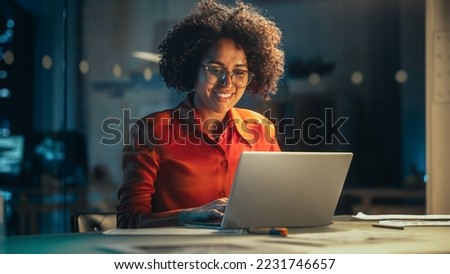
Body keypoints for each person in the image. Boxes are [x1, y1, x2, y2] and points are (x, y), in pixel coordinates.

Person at [116, 0, 285, 228]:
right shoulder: (152, 131)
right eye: (215, 70)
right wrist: (185, 216)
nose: (227, 83)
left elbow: (280, 203)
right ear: (192, 69)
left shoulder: (260, 128)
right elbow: (128, 220)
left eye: (239, 72)